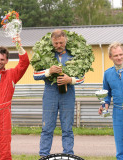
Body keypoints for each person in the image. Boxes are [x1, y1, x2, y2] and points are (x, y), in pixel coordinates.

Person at [33, 29, 84, 157]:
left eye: (61, 42)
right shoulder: (45, 55)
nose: (58, 46)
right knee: (47, 127)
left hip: (68, 93)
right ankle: (43, 155)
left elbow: (82, 77)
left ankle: (68, 155)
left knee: (67, 128)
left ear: (65, 40)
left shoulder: (74, 56)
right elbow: (35, 75)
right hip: (50, 93)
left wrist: (70, 79)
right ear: (52, 42)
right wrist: (49, 71)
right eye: (55, 43)